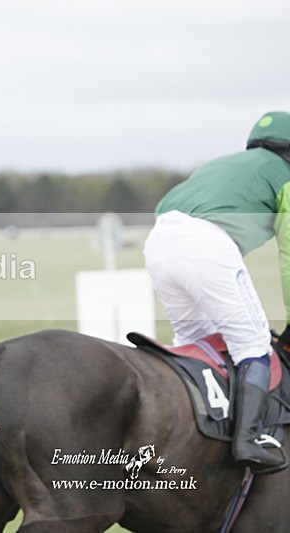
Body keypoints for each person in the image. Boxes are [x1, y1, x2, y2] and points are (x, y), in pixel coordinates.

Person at [144, 110, 290, 471]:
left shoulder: (225, 163)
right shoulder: (285, 176)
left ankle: (195, 438)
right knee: (253, 344)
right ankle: (248, 439)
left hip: (159, 240)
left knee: (199, 344)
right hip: (205, 244)